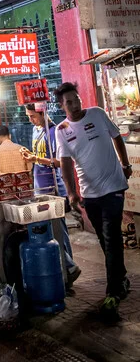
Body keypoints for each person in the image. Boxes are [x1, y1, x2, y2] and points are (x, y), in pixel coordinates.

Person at [55, 82, 132, 323]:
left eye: (76, 99)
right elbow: (65, 162)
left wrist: (125, 164)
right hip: (90, 194)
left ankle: (113, 293)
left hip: (113, 187)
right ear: (62, 106)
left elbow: (117, 137)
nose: (75, 104)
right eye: (69, 102)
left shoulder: (98, 114)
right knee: (104, 238)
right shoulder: (62, 129)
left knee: (111, 238)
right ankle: (121, 278)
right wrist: (71, 192)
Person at [22, 103, 80, 286]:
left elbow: (61, 162)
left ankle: (70, 268)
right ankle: (63, 268)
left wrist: (36, 159)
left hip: (55, 189)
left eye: (33, 116)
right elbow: (38, 155)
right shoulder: (35, 130)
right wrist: (30, 156)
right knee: (49, 232)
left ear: (43, 114)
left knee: (60, 231)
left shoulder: (53, 131)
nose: (31, 119)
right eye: (28, 116)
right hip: (40, 188)